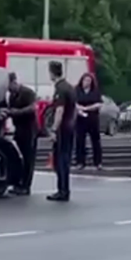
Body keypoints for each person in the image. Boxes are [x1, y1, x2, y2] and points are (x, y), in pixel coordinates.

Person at [0, 72, 38, 196]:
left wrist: (16, 112)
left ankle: (26, 186)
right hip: (19, 128)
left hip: (29, 128)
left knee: (28, 158)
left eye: (10, 85)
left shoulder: (27, 92)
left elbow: (33, 108)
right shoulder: (11, 96)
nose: (9, 89)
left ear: (14, 82)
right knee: (20, 156)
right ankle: (19, 183)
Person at [46, 60, 75, 201]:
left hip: (62, 128)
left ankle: (62, 190)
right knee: (64, 158)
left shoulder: (60, 89)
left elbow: (59, 110)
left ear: (52, 72)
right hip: (70, 126)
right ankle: (64, 190)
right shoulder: (69, 87)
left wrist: (53, 129)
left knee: (60, 160)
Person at [74, 72, 104, 169]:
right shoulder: (76, 91)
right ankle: (80, 162)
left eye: (89, 81)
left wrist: (87, 108)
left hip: (92, 118)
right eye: (85, 80)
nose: (86, 82)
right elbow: (73, 103)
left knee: (95, 140)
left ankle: (98, 162)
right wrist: (79, 109)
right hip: (80, 118)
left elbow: (99, 104)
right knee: (80, 140)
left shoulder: (95, 91)